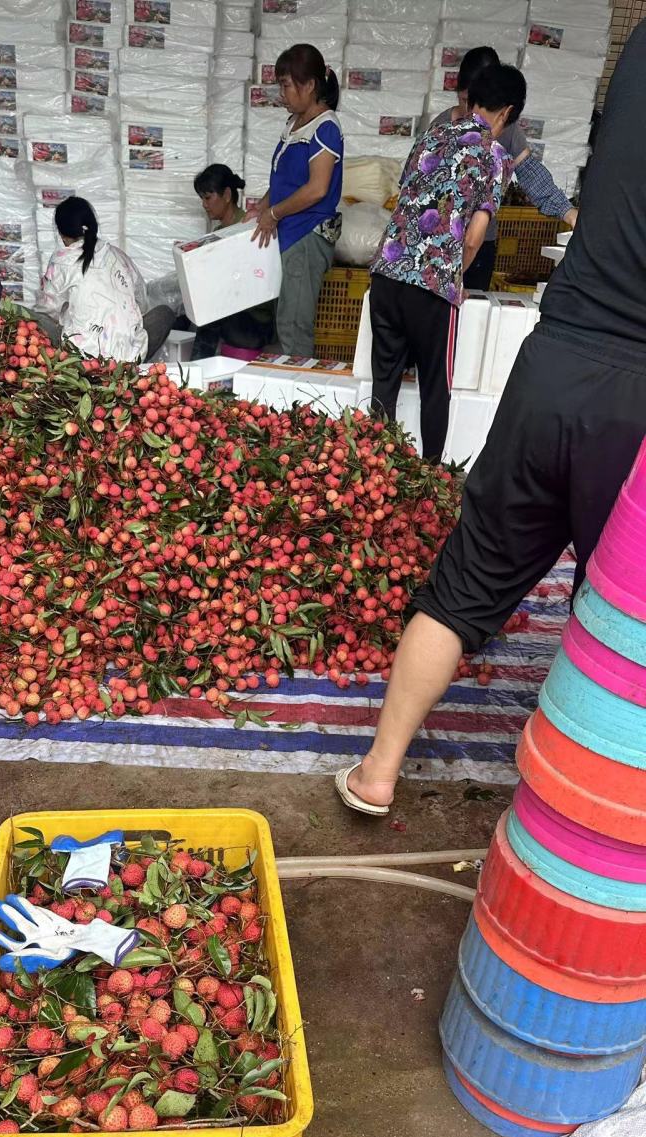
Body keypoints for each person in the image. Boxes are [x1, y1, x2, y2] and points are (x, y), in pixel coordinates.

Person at [335, 19, 646, 820]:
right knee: (616, 612)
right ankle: (577, 801)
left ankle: (378, 769)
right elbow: (520, 214)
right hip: (633, 399)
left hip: (551, 359)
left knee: (465, 583)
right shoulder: (503, 152)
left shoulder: (637, 47)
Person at [368, 63, 525, 463]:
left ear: (472, 98)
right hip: (431, 285)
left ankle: (369, 469)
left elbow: (407, 192)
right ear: (506, 112)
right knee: (435, 386)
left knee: (384, 383)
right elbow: (473, 237)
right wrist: (454, 273)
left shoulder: (433, 134)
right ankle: (430, 476)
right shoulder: (493, 155)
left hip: (387, 274)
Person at [432, 46, 578, 290]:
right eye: (467, 101)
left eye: (483, 103)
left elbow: (529, 172)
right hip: (438, 244)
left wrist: (568, 211)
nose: (474, 113)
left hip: (479, 247)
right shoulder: (440, 128)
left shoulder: (505, 133)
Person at [252, 43, 343, 358]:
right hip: (288, 234)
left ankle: (300, 396)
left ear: (310, 85)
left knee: (295, 323)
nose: (282, 92)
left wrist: (274, 213)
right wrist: (262, 207)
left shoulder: (326, 128)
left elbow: (317, 188)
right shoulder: (294, 125)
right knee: (285, 316)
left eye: (286, 85)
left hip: (306, 234)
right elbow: (285, 181)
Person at [38, 196, 173, 362]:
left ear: (61, 234)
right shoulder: (119, 256)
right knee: (165, 313)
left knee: (32, 318)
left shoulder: (61, 260)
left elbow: (47, 309)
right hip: (130, 357)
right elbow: (142, 302)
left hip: (82, 359)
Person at [188, 163, 275, 358]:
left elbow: (258, 284)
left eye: (208, 197)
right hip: (234, 315)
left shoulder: (251, 230)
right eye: (202, 198)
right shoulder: (218, 234)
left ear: (227, 195)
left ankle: (195, 376)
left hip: (256, 322)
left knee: (209, 317)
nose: (204, 204)